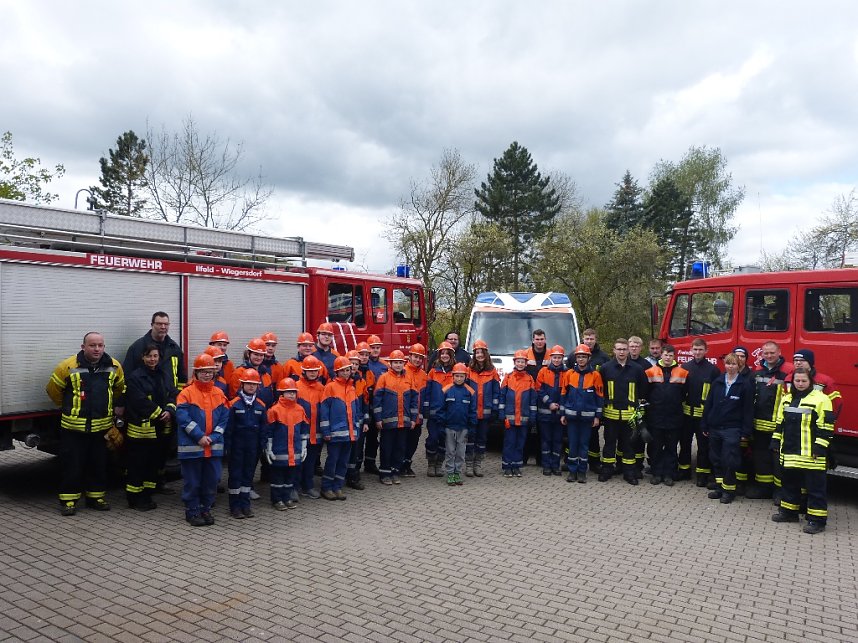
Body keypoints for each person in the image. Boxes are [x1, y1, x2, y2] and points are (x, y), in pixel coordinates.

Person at [47, 332, 126, 516]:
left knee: (98, 464)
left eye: (100, 345)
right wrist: (68, 407)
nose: (97, 349)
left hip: (101, 428)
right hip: (74, 428)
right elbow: (53, 390)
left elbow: (119, 389)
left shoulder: (114, 366)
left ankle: (96, 498)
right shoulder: (67, 366)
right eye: (92, 345)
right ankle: (68, 501)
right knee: (72, 465)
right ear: (83, 347)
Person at [123, 312, 186, 493]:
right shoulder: (138, 347)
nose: (163, 327)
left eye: (166, 324)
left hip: (169, 404)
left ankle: (159, 480)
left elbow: (181, 378)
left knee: (163, 448)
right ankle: (139, 484)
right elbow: (128, 377)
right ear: (152, 324)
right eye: (159, 324)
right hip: (144, 411)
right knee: (142, 452)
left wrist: (176, 402)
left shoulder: (174, 348)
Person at [771, 367, 834, 534]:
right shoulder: (786, 398)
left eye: (803, 381)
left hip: (812, 454)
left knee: (815, 489)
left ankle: (817, 521)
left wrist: (820, 447)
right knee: (789, 484)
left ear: (810, 382)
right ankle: (789, 512)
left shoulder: (821, 399)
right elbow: (780, 423)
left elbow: (826, 426)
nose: (800, 383)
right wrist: (775, 441)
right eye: (797, 381)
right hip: (790, 451)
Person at [176, 354, 229, 527]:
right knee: (192, 481)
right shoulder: (186, 393)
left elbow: (224, 420)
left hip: (213, 447)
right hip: (192, 447)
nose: (207, 375)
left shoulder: (219, 393)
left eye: (210, 372)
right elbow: (183, 419)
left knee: (211, 480)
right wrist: (199, 436)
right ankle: (192, 511)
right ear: (196, 373)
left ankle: (205, 509)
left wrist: (212, 437)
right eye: (203, 372)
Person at [124, 344, 178, 511]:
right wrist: (160, 413)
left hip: (159, 429)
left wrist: (170, 410)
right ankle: (135, 499)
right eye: (149, 356)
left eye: (155, 356)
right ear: (143, 357)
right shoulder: (135, 377)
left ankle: (147, 494)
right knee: (137, 465)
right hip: (141, 430)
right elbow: (138, 400)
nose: (152, 359)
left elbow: (172, 393)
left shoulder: (163, 374)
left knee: (152, 464)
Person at [702, 353, 754, 504]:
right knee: (716, 459)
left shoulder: (745, 385)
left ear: (739, 366)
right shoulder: (717, 382)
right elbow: (708, 404)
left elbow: (748, 410)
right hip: (715, 427)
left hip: (732, 428)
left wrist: (746, 431)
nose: (730, 367)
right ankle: (719, 488)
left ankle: (729, 491)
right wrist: (705, 423)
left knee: (730, 460)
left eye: (734, 364)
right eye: (728, 364)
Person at [747, 341, 793, 500]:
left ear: (779, 351)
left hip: (778, 426)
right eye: (765, 353)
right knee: (760, 457)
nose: (769, 355)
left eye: (772, 352)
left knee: (778, 460)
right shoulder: (757, 372)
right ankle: (763, 488)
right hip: (759, 424)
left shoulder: (788, 372)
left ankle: (779, 491)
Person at [598, 338, 647, 484]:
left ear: (628, 351)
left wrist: (639, 413)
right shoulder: (605, 368)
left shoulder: (637, 369)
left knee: (628, 445)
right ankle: (606, 470)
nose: (621, 352)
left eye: (624, 349)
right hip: (610, 415)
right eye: (619, 349)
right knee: (609, 444)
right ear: (613, 350)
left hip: (629, 416)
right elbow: (601, 391)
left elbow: (643, 391)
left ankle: (629, 473)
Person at [644, 344, 688, 487]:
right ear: (661, 355)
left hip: (674, 417)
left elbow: (684, 394)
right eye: (665, 354)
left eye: (670, 355)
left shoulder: (682, 372)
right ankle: (656, 473)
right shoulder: (650, 372)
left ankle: (669, 474)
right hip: (656, 417)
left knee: (671, 447)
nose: (668, 357)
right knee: (656, 447)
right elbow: (646, 393)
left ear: (674, 356)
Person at [226, 369, 267, 519]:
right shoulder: (233, 404)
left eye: (254, 384)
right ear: (242, 384)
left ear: (258, 386)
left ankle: (245, 505)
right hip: (236, 447)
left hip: (253, 448)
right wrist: (228, 448)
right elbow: (228, 429)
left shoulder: (261, 405)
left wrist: (261, 446)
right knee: (235, 476)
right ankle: (234, 507)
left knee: (248, 476)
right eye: (248, 384)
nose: (251, 387)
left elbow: (264, 429)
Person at [264, 378, 309, 511]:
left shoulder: (300, 410)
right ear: (281, 394)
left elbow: (304, 430)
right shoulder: (274, 410)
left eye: (293, 392)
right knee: (277, 478)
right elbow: (269, 432)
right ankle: (277, 500)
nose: (291, 395)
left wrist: (304, 446)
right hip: (279, 451)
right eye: (288, 392)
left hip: (294, 451)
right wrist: (269, 448)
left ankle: (287, 498)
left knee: (290, 478)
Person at [680, 338, 721, 487]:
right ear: (691, 350)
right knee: (685, 443)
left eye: (700, 350)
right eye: (695, 349)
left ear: (706, 351)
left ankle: (702, 475)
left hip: (704, 417)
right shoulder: (684, 367)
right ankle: (684, 471)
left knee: (703, 447)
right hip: (686, 415)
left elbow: (716, 395)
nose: (697, 352)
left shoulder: (713, 370)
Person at [560, 344, 603, 483]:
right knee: (572, 445)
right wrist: (562, 414)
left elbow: (599, 397)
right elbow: (563, 394)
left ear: (588, 358)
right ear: (575, 359)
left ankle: (582, 472)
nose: (581, 360)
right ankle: (572, 472)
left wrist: (597, 417)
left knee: (584, 445)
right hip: (571, 417)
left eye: (584, 357)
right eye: (579, 357)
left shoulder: (595, 375)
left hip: (587, 419)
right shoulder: (569, 374)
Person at [373, 350, 416, 485]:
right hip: (387, 423)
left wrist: (413, 418)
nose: (398, 365)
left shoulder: (409, 378)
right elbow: (377, 400)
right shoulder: (383, 378)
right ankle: (384, 473)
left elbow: (415, 400)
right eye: (395, 362)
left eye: (400, 362)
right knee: (386, 448)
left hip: (404, 422)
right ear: (390, 363)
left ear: (404, 364)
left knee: (400, 448)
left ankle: (395, 472)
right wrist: (378, 418)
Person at [320, 356, 360, 500]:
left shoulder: (351, 388)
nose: (346, 373)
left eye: (348, 370)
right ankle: (326, 488)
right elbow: (324, 411)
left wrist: (356, 429)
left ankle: (337, 487)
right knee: (332, 461)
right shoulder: (330, 387)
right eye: (342, 370)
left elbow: (356, 411)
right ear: (336, 372)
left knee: (343, 461)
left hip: (349, 434)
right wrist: (326, 431)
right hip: (335, 434)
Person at [499, 349, 537, 477]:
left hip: (524, 419)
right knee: (509, 443)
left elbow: (533, 400)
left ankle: (517, 466)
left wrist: (532, 416)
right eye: (518, 361)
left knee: (520, 443)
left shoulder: (530, 379)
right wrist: (501, 413)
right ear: (514, 362)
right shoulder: (508, 377)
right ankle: (507, 467)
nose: (520, 364)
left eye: (523, 362)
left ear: (526, 364)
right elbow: (502, 397)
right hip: (509, 419)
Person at [465, 339, 500, 478]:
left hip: (486, 414)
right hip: (472, 413)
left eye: (481, 352)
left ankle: (477, 465)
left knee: (482, 440)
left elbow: (496, 392)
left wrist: (495, 409)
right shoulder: (468, 370)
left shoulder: (492, 371)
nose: (479, 355)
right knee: (470, 439)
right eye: (477, 352)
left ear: (486, 354)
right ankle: (468, 465)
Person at [438, 363, 477, 486]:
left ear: (466, 377)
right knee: (450, 452)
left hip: (464, 428)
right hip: (449, 427)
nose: (459, 378)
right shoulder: (446, 390)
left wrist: (471, 426)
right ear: (452, 376)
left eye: (461, 376)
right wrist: (441, 425)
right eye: (457, 376)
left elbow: (473, 410)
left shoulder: (470, 392)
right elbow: (441, 409)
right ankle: (450, 473)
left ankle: (457, 472)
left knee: (460, 452)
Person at [296, 355, 325, 499]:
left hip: (316, 433)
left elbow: (325, 410)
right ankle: (294, 487)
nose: (313, 373)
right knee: (297, 462)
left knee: (311, 462)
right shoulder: (296, 387)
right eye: (310, 370)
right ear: (304, 371)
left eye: (315, 370)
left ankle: (308, 486)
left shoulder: (321, 388)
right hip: (301, 433)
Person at [425, 341, 455, 477]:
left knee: (444, 440)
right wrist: (426, 409)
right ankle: (431, 463)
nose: (444, 356)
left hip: (449, 413)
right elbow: (427, 392)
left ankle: (439, 464)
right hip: (434, 412)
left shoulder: (457, 372)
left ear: (451, 355)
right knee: (432, 438)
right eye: (442, 353)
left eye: (447, 353)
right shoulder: (432, 372)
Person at [536, 345, 567, 476]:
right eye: (554, 357)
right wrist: (549, 403)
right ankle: (546, 465)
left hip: (559, 414)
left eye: (559, 357)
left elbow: (567, 391)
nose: (556, 360)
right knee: (546, 440)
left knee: (558, 441)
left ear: (562, 358)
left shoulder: (567, 373)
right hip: (545, 414)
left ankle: (556, 465)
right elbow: (539, 389)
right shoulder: (543, 371)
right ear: (551, 357)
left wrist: (559, 404)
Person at [344, 350, 370, 490]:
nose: (353, 366)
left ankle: (353, 477)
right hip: (344, 424)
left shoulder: (361, 381)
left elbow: (365, 402)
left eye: (356, 364)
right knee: (344, 451)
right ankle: (342, 476)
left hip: (358, 423)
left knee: (356, 451)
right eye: (351, 363)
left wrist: (366, 421)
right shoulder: (340, 381)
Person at [402, 343, 429, 478]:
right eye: (415, 356)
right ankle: (399, 465)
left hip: (417, 416)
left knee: (413, 441)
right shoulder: (403, 371)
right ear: (410, 356)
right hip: (404, 415)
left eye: (420, 357)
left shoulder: (424, 375)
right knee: (402, 441)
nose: (417, 360)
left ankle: (407, 464)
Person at [524, 329, 549, 466]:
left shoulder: (552, 354)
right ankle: (523, 458)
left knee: (542, 431)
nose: (539, 342)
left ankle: (540, 459)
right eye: (537, 339)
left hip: (545, 396)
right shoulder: (526, 354)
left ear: (545, 340)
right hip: (529, 395)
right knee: (527, 430)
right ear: (533, 340)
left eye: (542, 339)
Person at [363, 334, 387, 475]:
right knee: (361, 438)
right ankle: (357, 464)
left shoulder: (385, 365)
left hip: (378, 406)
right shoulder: (363, 363)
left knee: (373, 437)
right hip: (364, 404)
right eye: (373, 347)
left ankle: (370, 463)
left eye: (378, 347)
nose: (376, 350)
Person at [732, 345, 754, 493]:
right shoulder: (728, 374)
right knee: (729, 452)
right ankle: (729, 480)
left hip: (742, 421)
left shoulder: (750, 376)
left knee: (742, 453)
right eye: (736, 356)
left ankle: (741, 483)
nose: (739, 359)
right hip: (729, 421)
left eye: (742, 356)